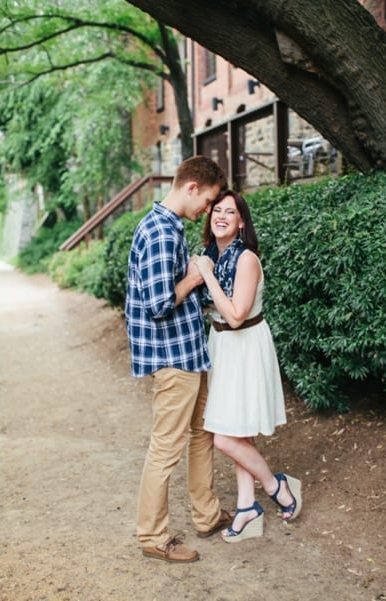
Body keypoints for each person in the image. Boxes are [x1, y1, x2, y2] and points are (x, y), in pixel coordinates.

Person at [125, 155, 232, 563]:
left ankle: (206, 515)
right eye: (207, 200)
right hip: (173, 360)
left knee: (202, 434)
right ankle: (153, 537)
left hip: (191, 353)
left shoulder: (169, 228)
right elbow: (157, 304)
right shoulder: (159, 231)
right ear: (191, 187)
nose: (207, 209)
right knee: (165, 448)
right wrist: (195, 275)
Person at [194, 190, 302, 542]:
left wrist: (207, 275)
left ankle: (275, 486)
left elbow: (237, 315)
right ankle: (245, 505)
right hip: (221, 345)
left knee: (224, 436)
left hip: (244, 344)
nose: (221, 216)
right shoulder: (212, 255)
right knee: (236, 429)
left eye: (231, 212)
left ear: (241, 222)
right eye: (217, 210)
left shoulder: (246, 260)